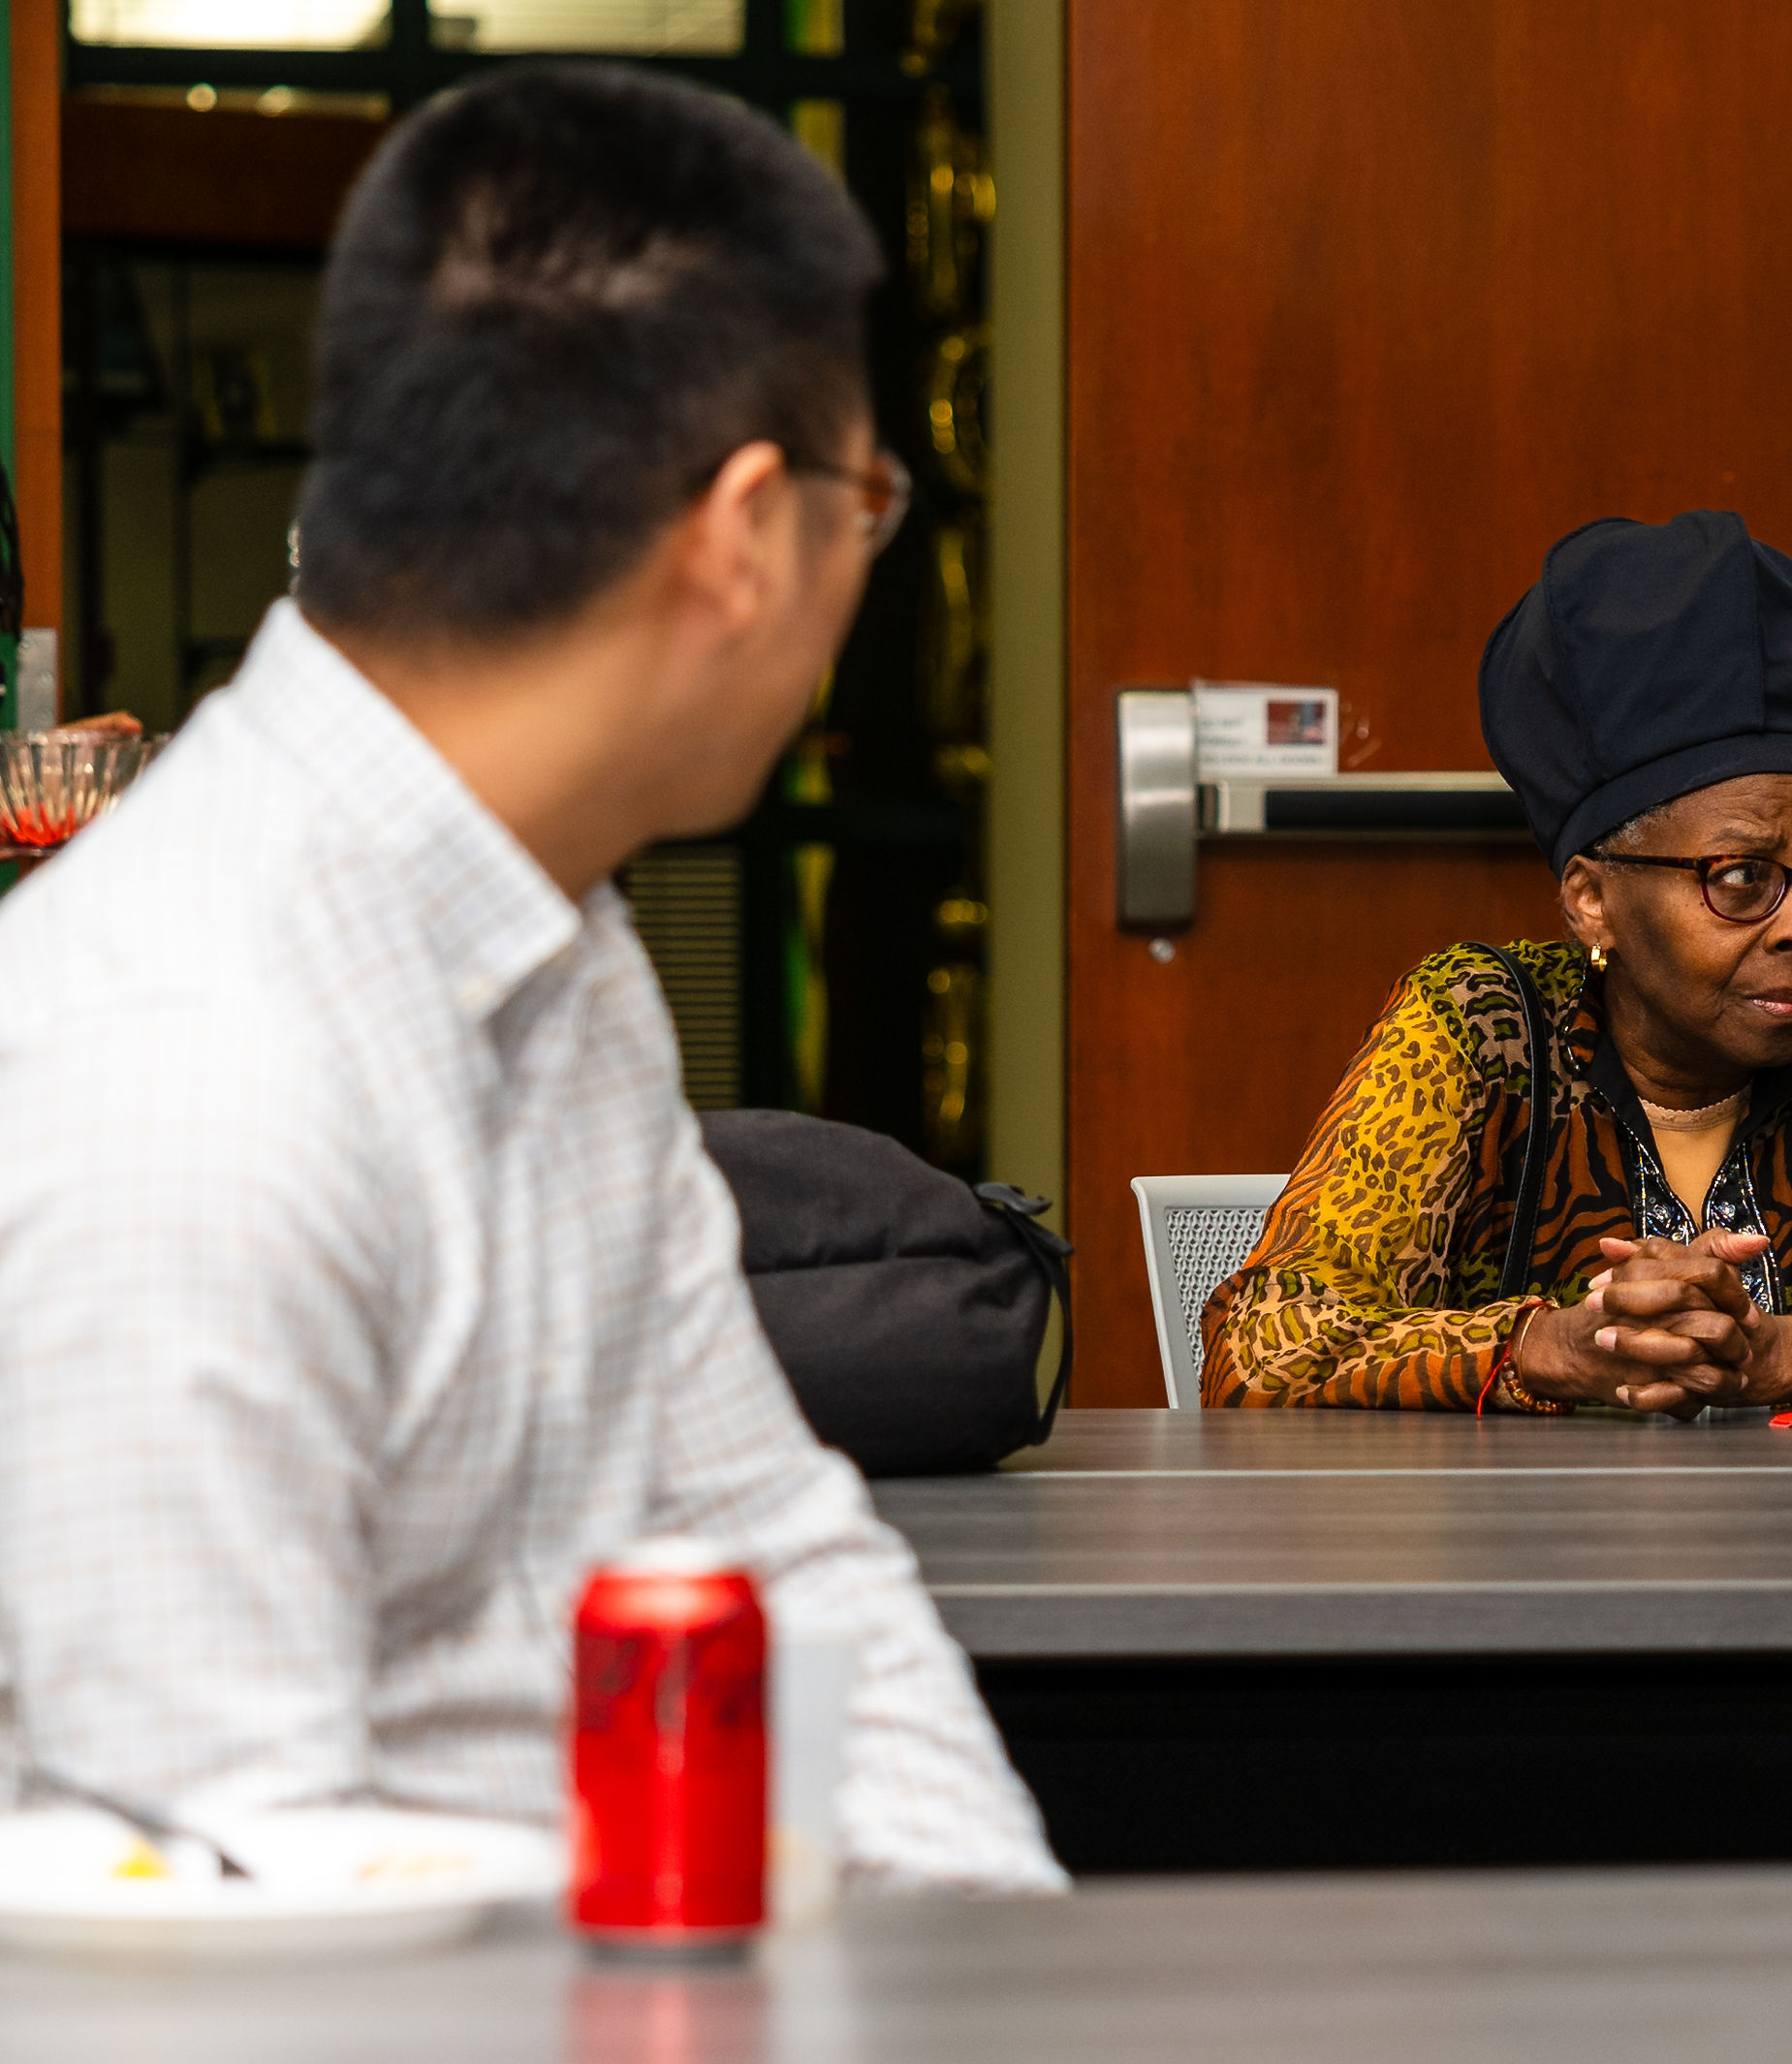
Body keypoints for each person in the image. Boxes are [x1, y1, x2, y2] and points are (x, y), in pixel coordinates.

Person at [0, 67, 1062, 1892]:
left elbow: (776, 1550)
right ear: (746, 533)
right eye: (870, 505)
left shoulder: (552, 940)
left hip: (599, 2014)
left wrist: (985, 1953)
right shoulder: (189, 1075)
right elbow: (222, 1922)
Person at [1200, 510, 1792, 1413]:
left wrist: (1780, 1354)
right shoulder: (1479, 1026)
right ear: (1591, 900)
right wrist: (1554, 1349)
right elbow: (1263, 1344)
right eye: (1740, 877)